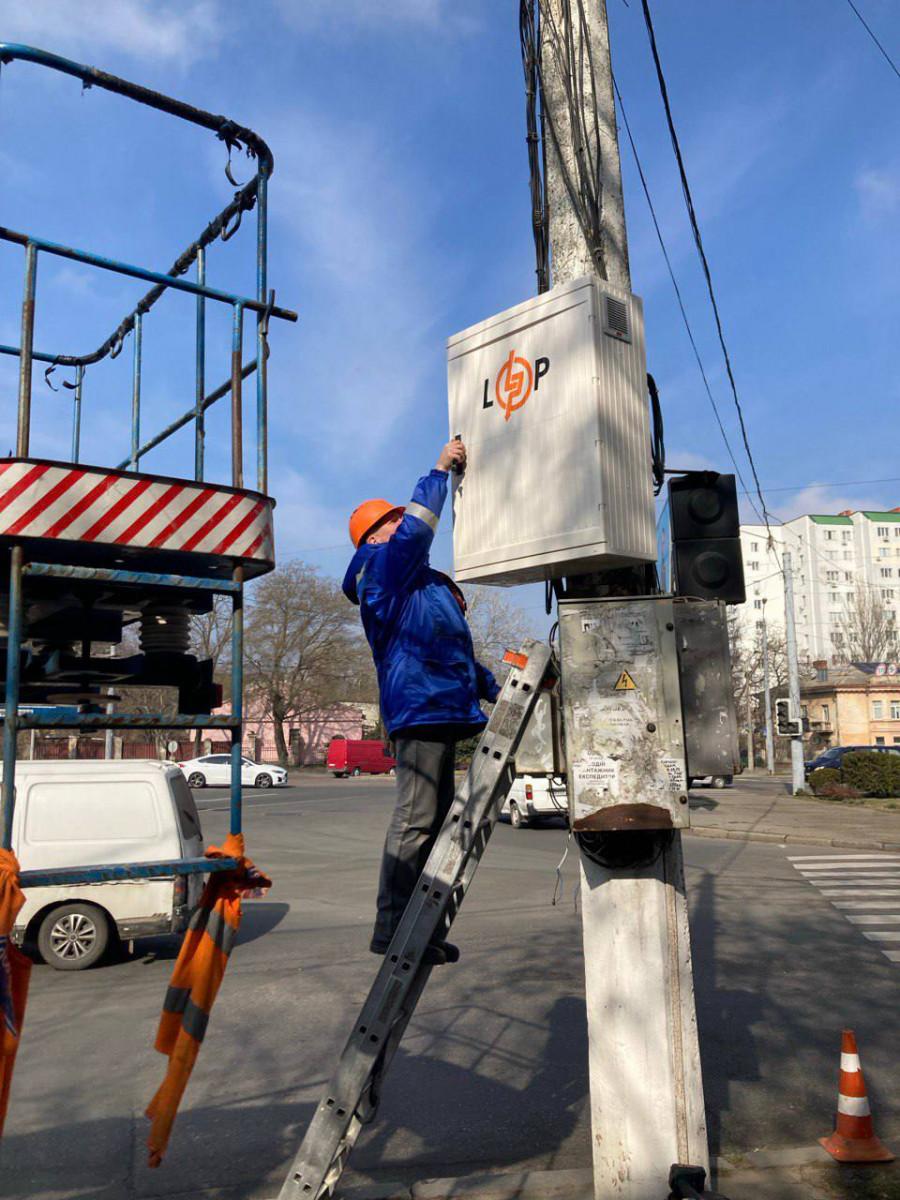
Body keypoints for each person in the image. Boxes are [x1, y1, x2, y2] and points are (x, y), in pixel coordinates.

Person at [342, 438, 500, 965]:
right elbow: (415, 530)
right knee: (416, 820)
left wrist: (498, 689)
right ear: (373, 536)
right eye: (390, 520)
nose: (400, 523)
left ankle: (420, 929)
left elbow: (451, 652)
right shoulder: (381, 571)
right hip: (419, 710)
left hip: (443, 708)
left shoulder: (424, 586)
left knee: (435, 826)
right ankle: (392, 928)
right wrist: (439, 472)